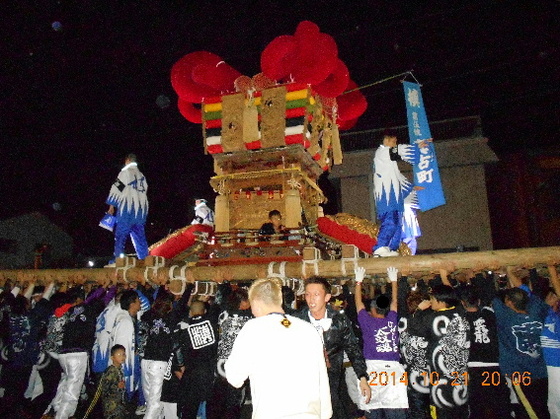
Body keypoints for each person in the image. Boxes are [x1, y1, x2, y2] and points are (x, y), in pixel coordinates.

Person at [225, 278, 332, 419]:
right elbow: (322, 379)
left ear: (255, 302)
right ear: (279, 299)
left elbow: (234, 377)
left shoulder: (253, 328)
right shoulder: (308, 329)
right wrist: (325, 414)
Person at [295, 277, 371, 419]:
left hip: (331, 378)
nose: (311, 299)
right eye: (307, 294)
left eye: (316, 294)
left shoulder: (339, 320)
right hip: (304, 379)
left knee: (332, 410)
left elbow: (352, 348)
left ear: (327, 297)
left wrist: (362, 377)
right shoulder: (297, 320)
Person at [493, 268, 550, 419]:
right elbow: (533, 296)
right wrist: (511, 271)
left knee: (527, 410)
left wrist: (498, 274)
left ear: (509, 303)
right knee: (541, 408)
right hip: (541, 372)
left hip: (520, 373)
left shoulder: (506, 318)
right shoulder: (537, 313)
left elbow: (491, 296)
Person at [409, 285, 470, 419]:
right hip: (460, 378)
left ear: (440, 300)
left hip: (440, 382)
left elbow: (414, 329)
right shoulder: (461, 314)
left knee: (442, 413)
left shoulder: (433, 318)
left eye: (432, 299)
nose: (431, 302)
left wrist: (419, 309)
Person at [354, 267, 408, 418]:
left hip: (373, 370)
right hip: (394, 373)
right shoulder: (391, 319)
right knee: (395, 414)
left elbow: (358, 303)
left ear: (373, 310)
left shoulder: (367, 322)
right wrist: (394, 281)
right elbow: (395, 302)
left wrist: (358, 281)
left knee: (374, 413)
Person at [459, 285, 510, 418]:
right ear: (479, 302)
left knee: (477, 407)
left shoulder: (461, 319)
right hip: (494, 366)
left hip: (474, 368)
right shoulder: (489, 313)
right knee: (501, 407)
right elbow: (488, 297)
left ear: (463, 303)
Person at [372, 134, 416, 257]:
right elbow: (398, 151)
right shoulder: (381, 153)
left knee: (397, 225)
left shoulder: (390, 162)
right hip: (387, 196)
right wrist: (418, 148)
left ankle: (391, 248)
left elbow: (399, 179)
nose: (395, 144)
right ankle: (380, 247)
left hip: (394, 197)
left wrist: (413, 188)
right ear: (386, 140)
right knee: (390, 221)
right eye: (394, 141)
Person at [175, 300, 218, 419]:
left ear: (190, 312)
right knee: (210, 405)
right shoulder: (213, 323)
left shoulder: (184, 328)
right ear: (204, 311)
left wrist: (180, 365)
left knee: (190, 406)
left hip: (191, 372)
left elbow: (177, 348)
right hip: (208, 371)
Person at [106, 153, 149, 265]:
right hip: (140, 211)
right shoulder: (142, 177)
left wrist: (111, 206)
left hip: (127, 209)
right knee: (139, 237)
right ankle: (144, 259)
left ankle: (118, 258)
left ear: (128, 160)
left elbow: (116, 189)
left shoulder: (124, 173)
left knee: (121, 235)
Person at [100, 344, 128, 419]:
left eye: (123, 354)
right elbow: (104, 388)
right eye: (119, 355)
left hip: (118, 403)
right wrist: (117, 386)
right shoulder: (111, 371)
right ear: (112, 357)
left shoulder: (119, 369)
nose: (122, 357)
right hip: (111, 405)